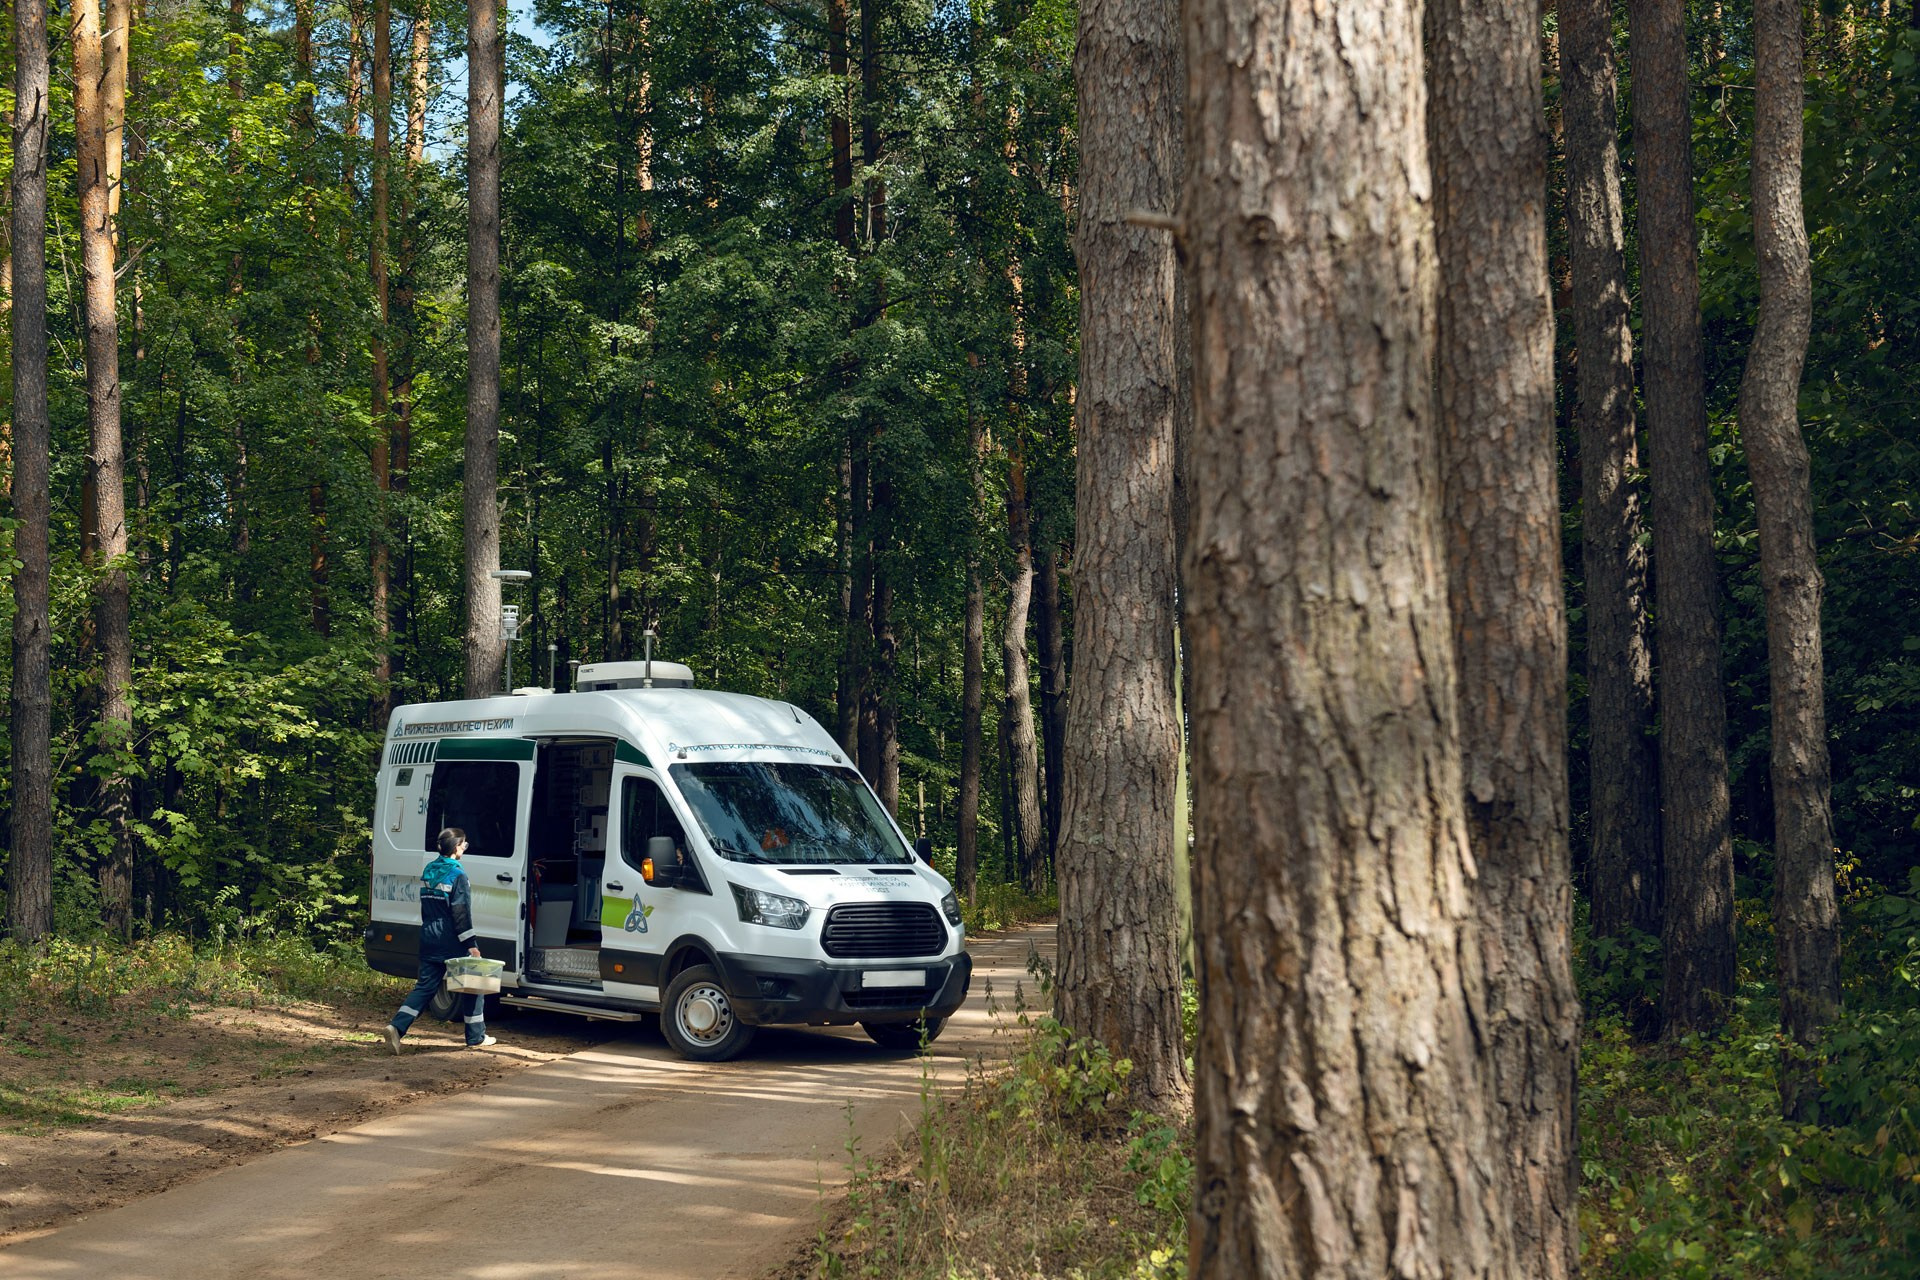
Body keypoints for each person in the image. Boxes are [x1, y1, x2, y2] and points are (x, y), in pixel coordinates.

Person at [382, 827, 498, 1052]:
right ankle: (476, 1037)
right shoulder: (458, 875)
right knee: (473, 985)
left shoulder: (429, 870)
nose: (465, 848)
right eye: (464, 844)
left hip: (428, 936)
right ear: (456, 848)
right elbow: (461, 914)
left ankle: (396, 1027)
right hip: (451, 940)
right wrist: (471, 945)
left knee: (424, 987)